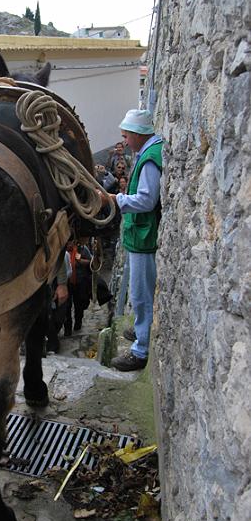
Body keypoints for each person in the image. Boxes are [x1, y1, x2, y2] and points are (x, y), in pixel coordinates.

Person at [106, 109, 163, 371]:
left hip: (143, 236)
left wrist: (116, 200)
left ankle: (140, 351)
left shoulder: (150, 159)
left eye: (127, 135)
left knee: (140, 294)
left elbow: (147, 200)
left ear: (139, 134)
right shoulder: (148, 151)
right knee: (139, 291)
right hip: (139, 234)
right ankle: (142, 330)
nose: (125, 140)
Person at [64, 236, 93, 335]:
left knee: (79, 304)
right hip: (67, 283)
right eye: (67, 243)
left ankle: (78, 324)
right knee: (67, 307)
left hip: (80, 283)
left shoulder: (82, 249)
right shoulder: (63, 252)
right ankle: (67, 329)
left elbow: (92, 262)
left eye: (70, 242)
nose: (69, 245)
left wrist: (81, 261)